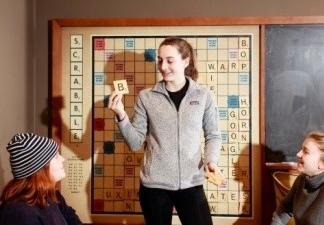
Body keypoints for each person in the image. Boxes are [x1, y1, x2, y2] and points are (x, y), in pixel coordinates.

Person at [108, 37, 222, 225]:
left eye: (170, 60)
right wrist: (121, 115)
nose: (163, 66)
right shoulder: (146, 97)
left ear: (185, 62)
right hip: (154, 186)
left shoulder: (204, 95)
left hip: (191, 181)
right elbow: (135, 142)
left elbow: (213, 135)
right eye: (160, 60)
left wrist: (211, 161)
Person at [0, 133, 82, 225]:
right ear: (39, 168)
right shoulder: (19, 213)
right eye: (55, 156)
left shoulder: (51, 194)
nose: (62, 159)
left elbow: (71, 218)